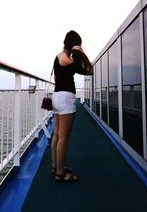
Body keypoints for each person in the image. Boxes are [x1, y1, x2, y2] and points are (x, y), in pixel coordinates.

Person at [51, 30, 93, 183]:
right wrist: (81, 54)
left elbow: (56, 78)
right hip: (66, 97)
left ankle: (55, 167)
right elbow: (90, 70)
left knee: (56, 134)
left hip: (56, 96)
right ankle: (60, 174)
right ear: (76, 44)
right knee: (63, 137)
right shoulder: (71, 61)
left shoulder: (58, 57)